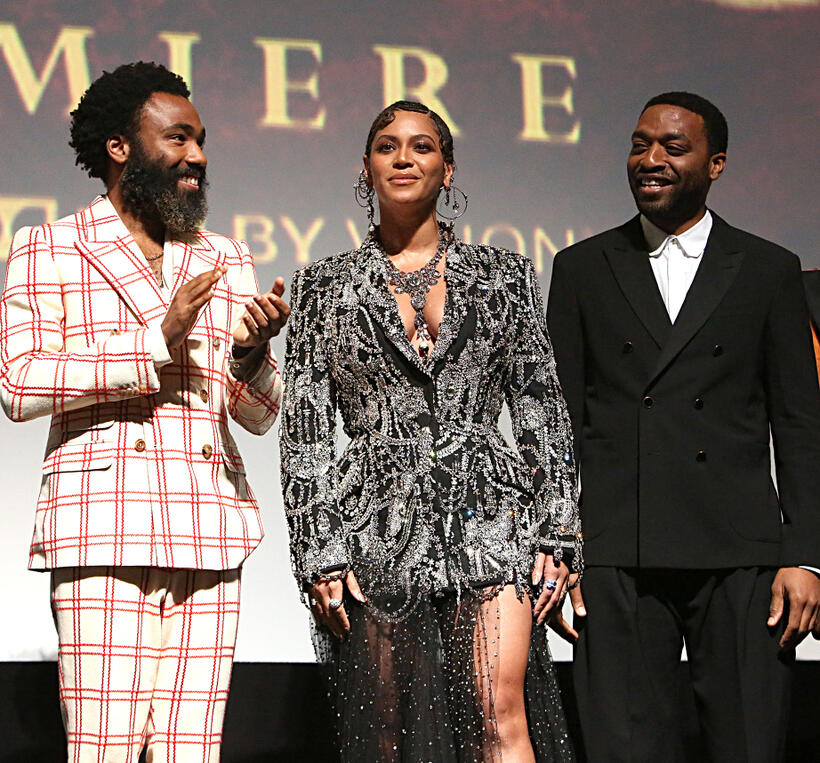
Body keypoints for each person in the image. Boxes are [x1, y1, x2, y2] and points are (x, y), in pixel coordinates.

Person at [0, 62, 288, 761]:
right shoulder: (51, 247)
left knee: (192, 750)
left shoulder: (222, 256)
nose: (197, 156)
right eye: (179, 138)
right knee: (104, 748)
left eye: (202, 140)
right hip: (102, 526)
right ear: (119, 148)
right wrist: (151, 341)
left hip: (209, 527)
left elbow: (253, 415)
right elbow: (17, 381)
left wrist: (250, 355)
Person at [280, 100, 581, 761]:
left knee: (499, 714)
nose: (405, 157)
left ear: (448, 169)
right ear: (367, 169)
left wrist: (557, 528)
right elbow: (304, 429)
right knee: (385, 732)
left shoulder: (503, 276)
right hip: (374, 528)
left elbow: (540, 407)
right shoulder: (322, 287)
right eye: (388, 146)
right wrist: (318, 550)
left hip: (489, 518)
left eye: (422, 146)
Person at [547, 91, 820, 762]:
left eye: (673, 146)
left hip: (742, 552)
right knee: (624, 748)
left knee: (750, 744)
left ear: (716, 163)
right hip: (616, 551)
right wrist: (560, 550)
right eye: (640, 145)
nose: (651, 159)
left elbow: (799, 421)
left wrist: (805, 555)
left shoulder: (768, 269)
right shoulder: (582, 267)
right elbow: (553, 425)